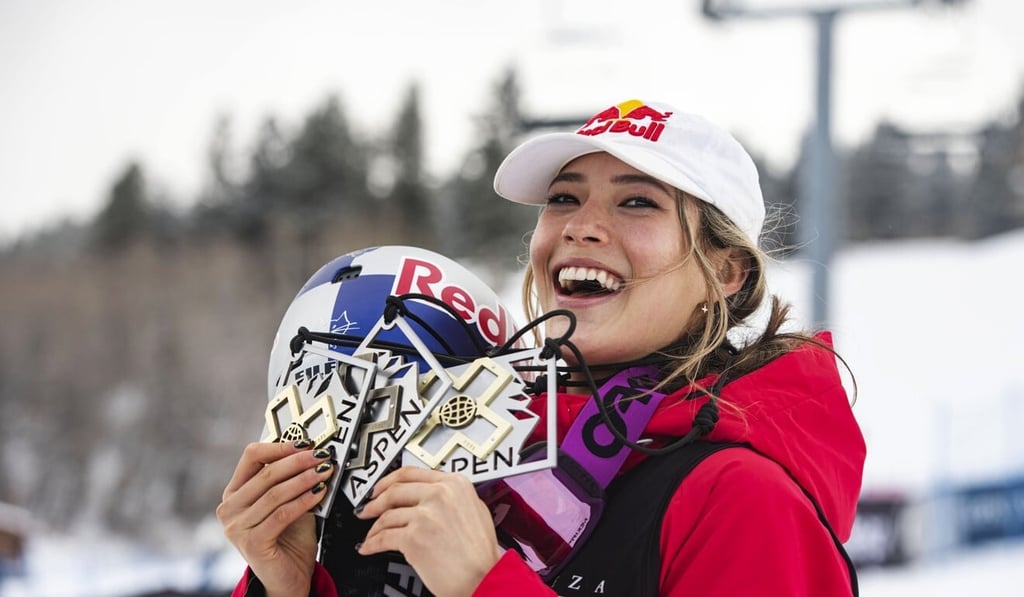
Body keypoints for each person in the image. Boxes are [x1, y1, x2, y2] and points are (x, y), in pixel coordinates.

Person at [216, 98, 866, 597]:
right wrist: (288, 582)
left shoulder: (740, 496)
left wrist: (485, 581)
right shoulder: (466, 442)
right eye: (563, 198)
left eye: (638, 202)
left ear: (725, 273)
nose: (582, 226)